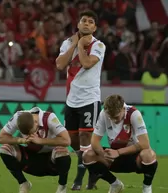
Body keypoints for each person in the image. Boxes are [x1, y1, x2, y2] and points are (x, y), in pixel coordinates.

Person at [55, 10, 106, 190]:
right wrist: (74, 44)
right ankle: (93, 167)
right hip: (71, 99)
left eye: (90, 22)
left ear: (95, 27)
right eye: (83, 20)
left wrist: (81, 47)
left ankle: (79, 177)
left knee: (86, 136)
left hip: (89, 98)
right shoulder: (67, 43)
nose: (86, 24)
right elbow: (60, 65)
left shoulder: (99, 45)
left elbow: (86, 63)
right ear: (78, 24)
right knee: (72, 140)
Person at [82, 95, 158, 193]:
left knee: (149, 155)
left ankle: (146, 188)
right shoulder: (103, 114)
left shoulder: (134, 114)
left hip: (134, 158)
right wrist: (103, 154)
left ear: (123, 108)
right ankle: (115, 184)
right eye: (111, 117)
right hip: (114, 158)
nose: (113, 120)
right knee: (88, 155)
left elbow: (145, 144)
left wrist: (118, 152)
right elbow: (94, 141)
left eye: (116, 117)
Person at [0, 107, 71, 193]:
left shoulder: (49, 118)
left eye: (32, 132)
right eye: (27, 134)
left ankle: (62, 187)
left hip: (51, 162)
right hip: (29, 160)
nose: (30, 135)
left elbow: (67, 141)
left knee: (62, 150)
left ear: (36, 123)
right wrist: (21, 140)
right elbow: (1, 138)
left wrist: (41, 141)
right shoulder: (18, 117)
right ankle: (23, 183)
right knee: (5, 148)